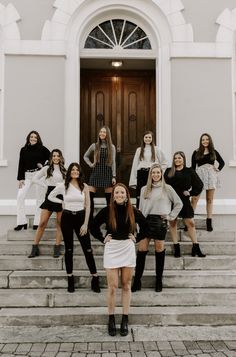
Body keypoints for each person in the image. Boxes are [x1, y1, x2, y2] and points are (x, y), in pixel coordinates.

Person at [90, 183, 147, 337]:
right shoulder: (107, 210)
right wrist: (103, 238)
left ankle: (125, 319)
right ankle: (111, 318)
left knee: (126, 285)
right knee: (113, 286)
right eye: (117, 192)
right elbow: (93, 225)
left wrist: (137, 238)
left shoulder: (133, 211)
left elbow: (146, 226)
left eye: (122, 192)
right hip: (112, 248)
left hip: (127, 248)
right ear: (113, 195)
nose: (119, 195)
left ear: (127, 195)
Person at [48, 162, 100, 294]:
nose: (75, 171)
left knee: (87, 249)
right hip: (67, 218)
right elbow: (50, 196)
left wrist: (86, 224)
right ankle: (70, 279)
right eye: (73, 169)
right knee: (69, 250)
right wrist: (62, 202)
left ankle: (95, 278)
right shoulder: (63, 186)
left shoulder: (85, 187)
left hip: (81, 218)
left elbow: (88, 206)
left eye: (77, 169)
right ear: (70, 171)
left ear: (79, 172)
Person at [132, 164, 183, 293]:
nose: (155, 175)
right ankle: (137, 280)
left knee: (159, 250)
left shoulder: (167, 188)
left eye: (158, 173)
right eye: (153, 173)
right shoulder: (144, 189)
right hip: (146, 221)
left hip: (160, 222)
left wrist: (170, 216)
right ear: (150, 174)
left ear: (161, 174)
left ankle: (158, 280)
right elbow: (142, 209)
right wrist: (139, 225)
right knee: (142, 250)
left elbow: (179, 203)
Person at [164, 151, 206, 258]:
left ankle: (195, 246)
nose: (177, 160)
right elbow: (163, 185)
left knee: (190, 223)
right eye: (175, 158)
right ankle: (176, 247)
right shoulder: (169, 171)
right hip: (171, 200)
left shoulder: (189, 171)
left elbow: (199, 184)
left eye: (180, 158)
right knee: (172, 223)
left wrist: (191, 193)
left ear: (183, 159)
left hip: (184, 199)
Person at [28, 149, 67, 258]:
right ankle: (34, 247)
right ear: (51, 157)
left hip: (60, 196)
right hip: (49, 196)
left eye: (57, 156)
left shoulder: (64, 170)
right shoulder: (46, 169)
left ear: (60, 157)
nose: (56, 158)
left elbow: (66, 183)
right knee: (42, 223)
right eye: (54, 156)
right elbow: (34, 179)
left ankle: (57, 248)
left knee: (59, 224)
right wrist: (44, 185)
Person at [15, 130, 50, 231]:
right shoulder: (23, 149)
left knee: (39, 199)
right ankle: (21, 222)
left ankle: (37, 222)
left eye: (35, 137)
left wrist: (44, 166)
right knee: (20, 196)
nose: (33, 138)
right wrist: (20, 178)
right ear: (28, 138)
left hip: (38, 175)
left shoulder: (42, 149)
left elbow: (51, 158)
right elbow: (21, 164)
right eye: (31, 137)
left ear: (38, 139)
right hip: (27, 176)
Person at [191, 133, 225, 232]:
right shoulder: (196, 152)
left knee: (209, 199)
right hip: (199, 176)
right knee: (194, 199)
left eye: (207, 139)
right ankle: (189, 221)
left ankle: (209, 222)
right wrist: (192, 180)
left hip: (211, 176)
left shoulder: (214, 152)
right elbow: (193, 168)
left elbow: (222, 163)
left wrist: (217, 169)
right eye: (203, 140)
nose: (205, 141)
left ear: (209, 141)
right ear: (200, 141)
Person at [83, 126, 116, 224]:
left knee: (109, 202)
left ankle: (109, 221)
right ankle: (90, 220)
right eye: (101, 131)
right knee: (89, 197)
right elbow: (85, 156)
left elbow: (113, 162)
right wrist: (91, 164)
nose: (102, 133)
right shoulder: (94, 145)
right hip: (96, 172)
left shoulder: (112, 147)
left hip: (107, 173)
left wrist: (114, 176)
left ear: (107, 134)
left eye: (104, 132)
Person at [129, 130, 168, 207]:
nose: (148, 139)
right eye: (146, 137)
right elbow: (135, 165)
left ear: (152, 138)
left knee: (152, 193)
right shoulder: (139, 150)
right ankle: (140, 213)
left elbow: (165, 162)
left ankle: (152, 212)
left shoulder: (157, 149)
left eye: (149, 137)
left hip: (152, 174)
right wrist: (133, 180)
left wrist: (159, 172)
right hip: (141, 174)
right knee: (141, 195)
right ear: (143, 138)